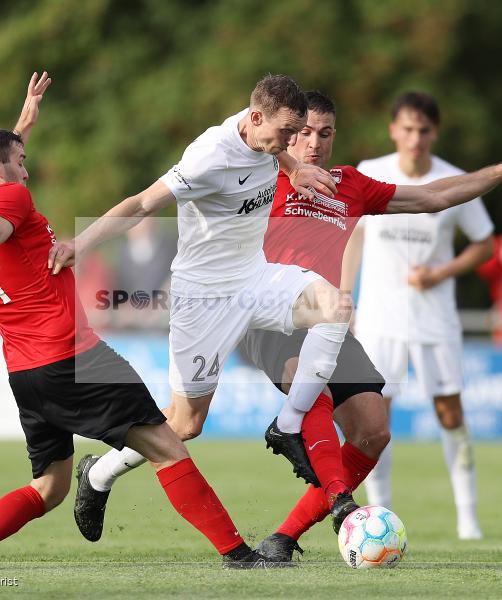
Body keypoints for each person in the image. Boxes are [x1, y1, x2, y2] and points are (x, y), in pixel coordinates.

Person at [0, 72, 285, 571]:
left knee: (49, 489)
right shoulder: (10, 199)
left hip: (25, 372)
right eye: (20, 163)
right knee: (167, 446)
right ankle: (239, 556)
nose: (28, 172)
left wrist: (23, 122)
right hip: (72, 355)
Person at [242, 91, 502, 559]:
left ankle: (283, 538)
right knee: (311, 395)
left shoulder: (349, 184)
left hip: (329, 322)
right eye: (304, 133)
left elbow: (434, 196)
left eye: (324, 134)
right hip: (275, 319)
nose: (313, 144)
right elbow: (242, 136)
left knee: (374, 431)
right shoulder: (262, 172)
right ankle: (342, 503)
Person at [49, 74, 349, 541]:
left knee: (334, 305)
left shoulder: (265, 135)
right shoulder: (209, 157)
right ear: (254, 118)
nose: (293, 142)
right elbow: (141, 204)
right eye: (287, 134)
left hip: (255, 275)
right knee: (184, 425)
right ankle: (98, 474)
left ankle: (288, 425)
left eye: (297, 134)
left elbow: (269, 148)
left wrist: (292, 166)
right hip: (203, 297)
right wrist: (82, 242)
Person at [347, 92, 496, 540]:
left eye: (424, 130)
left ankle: (467, 517)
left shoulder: (454, 181)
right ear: (394, 129)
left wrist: (440, 273)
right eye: (408, 129)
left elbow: (484, 242)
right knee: (376, 420)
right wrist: (343, 295)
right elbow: (353, 237)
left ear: (435, 132)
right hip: (379, 316)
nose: (415, 138)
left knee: (450, 413)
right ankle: (381, 515)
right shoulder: (372, 173)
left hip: (435, 319)